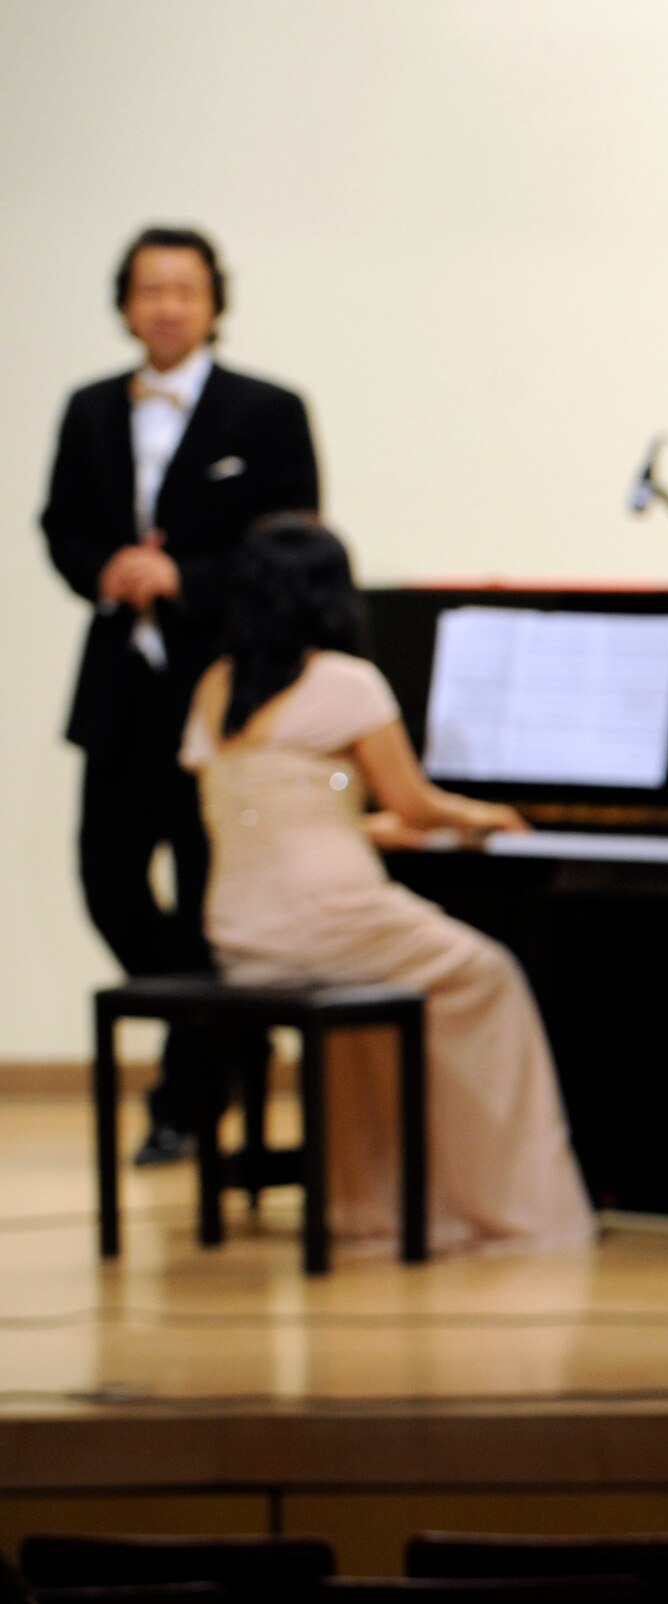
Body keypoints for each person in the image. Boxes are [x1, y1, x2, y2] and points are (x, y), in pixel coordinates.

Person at [179, 515, 597, 1254]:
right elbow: (415, 803)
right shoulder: (345, 680)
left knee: (377, 1011)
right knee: (488, 980)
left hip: (244, 931)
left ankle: (377, 1198)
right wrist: (483, 815)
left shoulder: (216, 686)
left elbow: (270, 812)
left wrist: (368, 829)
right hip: (332, 919)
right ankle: (496, 1200)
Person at [41, 225, 320, 1165]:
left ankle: (185, 1101)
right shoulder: (88, 410)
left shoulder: (267, 410)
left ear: (213, 303)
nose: (167, 306)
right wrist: (104, 571)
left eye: (185, 290)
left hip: (217, 689)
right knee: (107, 879)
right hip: (121, 682)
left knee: (208, 894)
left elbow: (292, 544)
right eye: (150, 290)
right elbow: (61, 526)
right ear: (125, 304)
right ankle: (225, 1034)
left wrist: (188, 582)